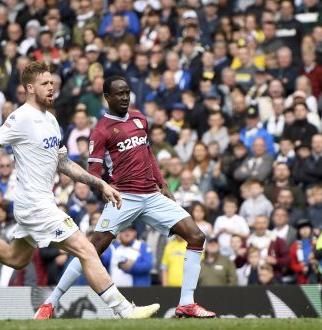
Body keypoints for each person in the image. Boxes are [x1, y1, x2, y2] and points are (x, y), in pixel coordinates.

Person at [0, 63, 157, 319]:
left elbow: (64, 164)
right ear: (30, 88)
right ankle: (125, 310)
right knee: (87, 250)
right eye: (46, 83)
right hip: (35, 204)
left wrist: (100, 183)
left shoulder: (51, 120)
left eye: (52, 82)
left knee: (16, 258)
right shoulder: (21, 116)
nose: (52, 87)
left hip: (36, 203)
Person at [37, 76, 215, 318]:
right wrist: (104, 189)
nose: (124, 97)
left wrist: (162, 184)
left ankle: (187, 303)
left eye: (127, 92)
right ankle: (51, 301)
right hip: (124, 197)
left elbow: (148, 153)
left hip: (152, 195)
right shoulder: (101, 130)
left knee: (196, 236)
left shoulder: (140, 118)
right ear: (107, 97)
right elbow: (94, 171)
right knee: (91, 249)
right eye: (118, 94)